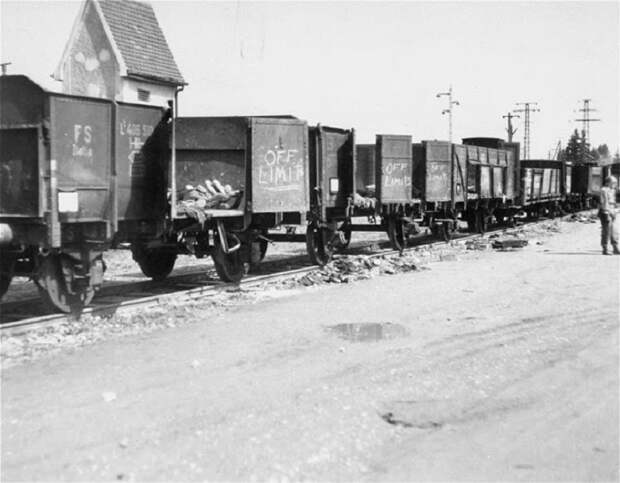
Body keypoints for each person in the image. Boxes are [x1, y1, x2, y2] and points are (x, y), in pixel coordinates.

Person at [599, 176, 619, 255]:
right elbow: (604, 202)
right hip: (605, 211)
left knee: (614, 230)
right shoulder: (603, 190)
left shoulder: (612, 190)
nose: (615, 184)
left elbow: (612, 201)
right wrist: (606, 212)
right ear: (607, 182)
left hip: (612, 210)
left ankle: (615, 247)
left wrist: (615, 209)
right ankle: (605, 248)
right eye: (613, 183)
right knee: (606, 231)